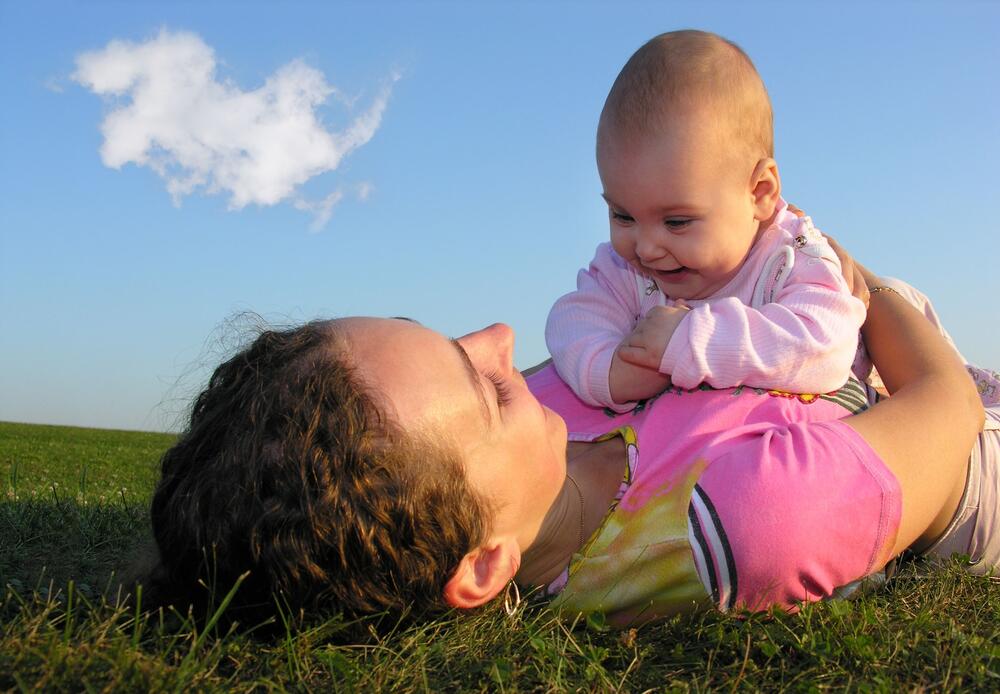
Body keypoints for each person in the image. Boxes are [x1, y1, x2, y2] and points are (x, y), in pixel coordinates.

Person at [148, 246, 996, 628]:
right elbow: (948, 407)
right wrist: (855, 278)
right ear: (485, 565)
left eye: (451, 339)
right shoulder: (745, 521)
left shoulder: (558, 399)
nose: (502, 339)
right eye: (484, 388)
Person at [545, 30, 869, 410]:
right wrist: (609, 370)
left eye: (677, 222)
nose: (646, 248)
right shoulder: (624, 272)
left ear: (760, 193)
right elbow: (571, 320)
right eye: (622, 215)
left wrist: (690, 341)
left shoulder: (791, 257)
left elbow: (826, 346)